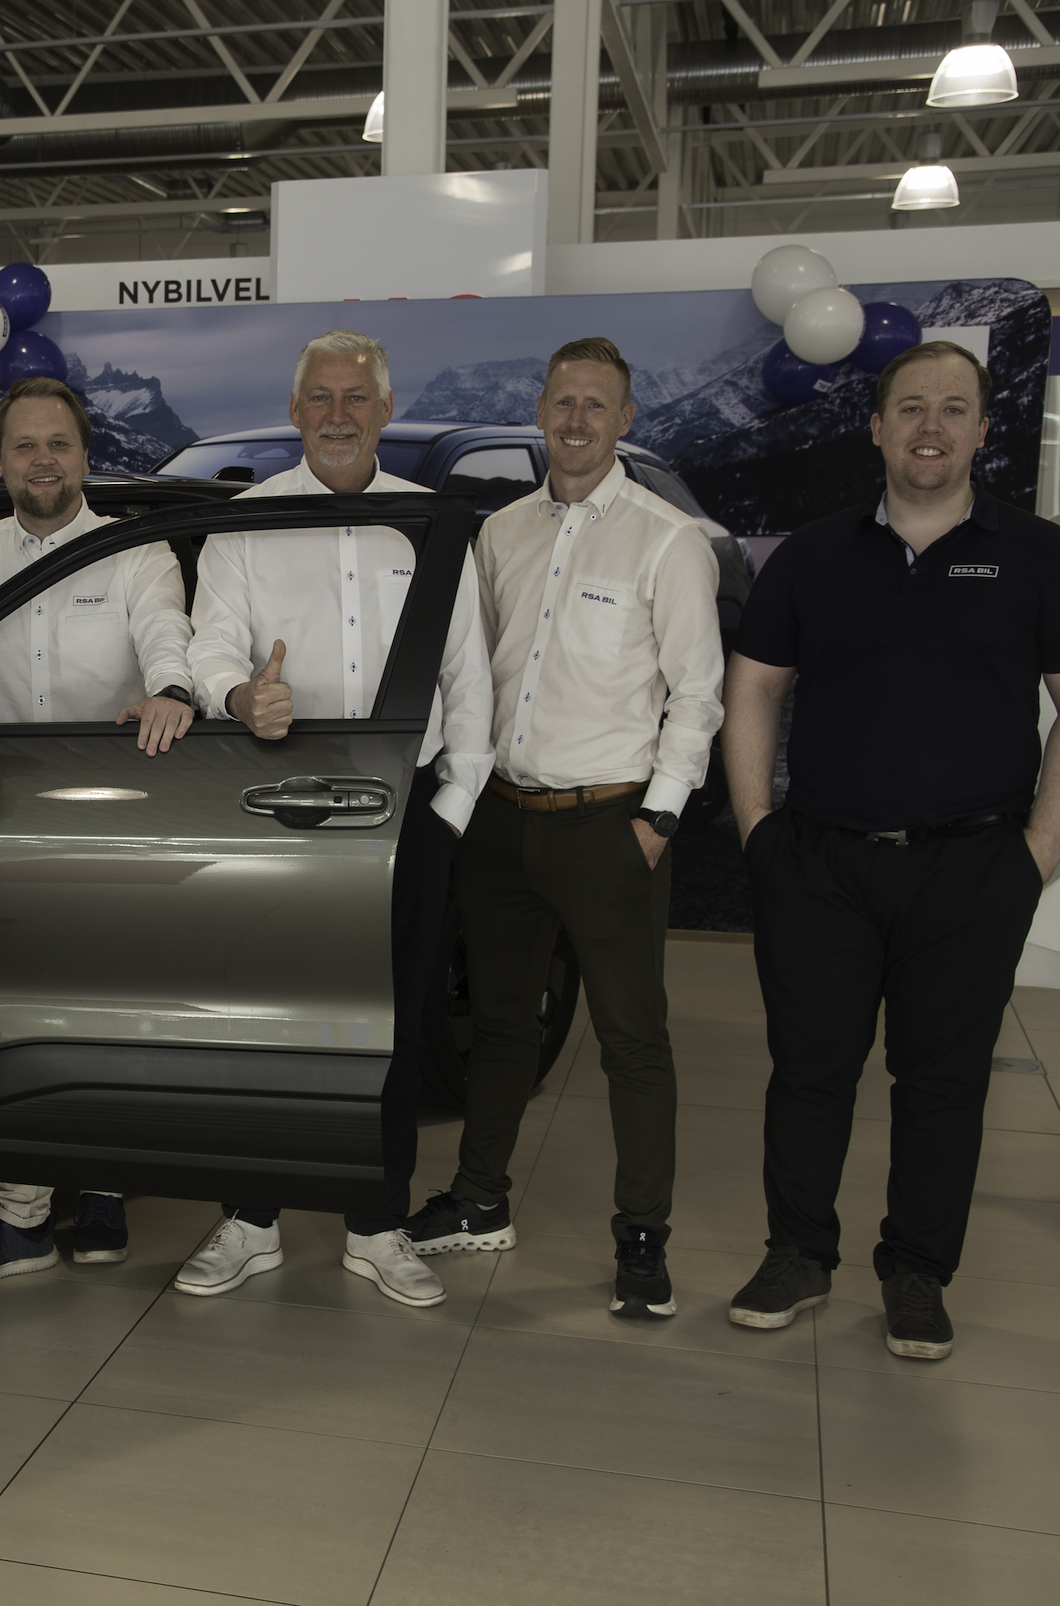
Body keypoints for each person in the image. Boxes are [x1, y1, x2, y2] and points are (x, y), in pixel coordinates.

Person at [724, 340, 1060, 1361]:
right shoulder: (813, 555)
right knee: (809, 1070)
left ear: (984, 429)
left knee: (943, 1081)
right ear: (876, 427)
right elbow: (755, 687)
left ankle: (916, 1272)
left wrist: (1036, 852)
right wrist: (759, 828)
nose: (930, 426)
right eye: (910, 407)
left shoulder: (1045, 558)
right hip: (820, 861)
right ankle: (797, 1254)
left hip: (973, 864)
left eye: (952, 408)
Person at [172, 330, 493, 1309]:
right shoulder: (246, 524)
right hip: (279, 809)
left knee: (392, 1027)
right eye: (322, 396)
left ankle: (377, 1223)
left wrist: (449, 811)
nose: (339, 413)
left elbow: (469, 675)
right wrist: (240, 697)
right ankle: (252, 1218)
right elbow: (209, 647)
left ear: (386, 411)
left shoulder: (431, 525)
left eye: (358, 397)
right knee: (265, 1024)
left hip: (407, 814)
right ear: (296, 409)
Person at [449, 335, 724, 1321]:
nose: (575, 421)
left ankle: (642, 1240)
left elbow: (698, 693)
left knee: (631, 1041)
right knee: (499, 1025)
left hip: (609, 825)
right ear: (540, 410)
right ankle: (479, 1200)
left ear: (625, 420)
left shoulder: (667, 540)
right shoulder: (500, 533)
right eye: (562, 402)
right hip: (502, 819)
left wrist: (658, 819)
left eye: (595, 405)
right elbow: (471, 672)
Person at [0, 377, 197, 1287]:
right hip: (1, 824)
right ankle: (29, 1220)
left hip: (115, 819)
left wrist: (173, 690)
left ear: (85, 457)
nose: (43, 461)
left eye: (59, 444)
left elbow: (168, 635)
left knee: (110, 1016)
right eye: (25, 446)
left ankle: (96, 1196)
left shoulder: (134, 554)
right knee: (22, 1021)